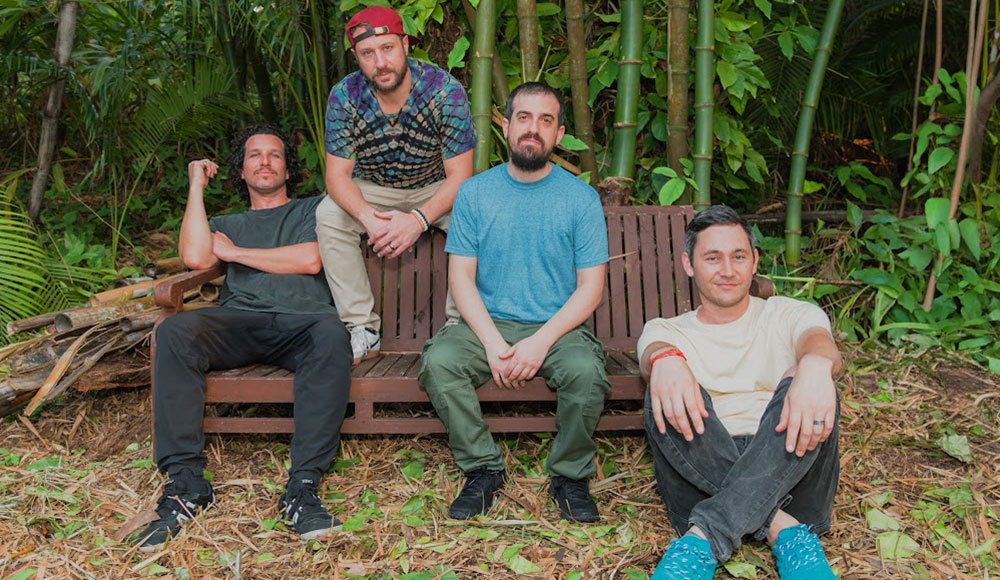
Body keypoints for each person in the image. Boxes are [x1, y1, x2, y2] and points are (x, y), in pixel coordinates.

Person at [136, 126, 352, 552]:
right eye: (254, 155)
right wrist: (196, 186)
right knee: (175, 330)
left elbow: (311, 259)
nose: (265, 161)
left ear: (288, 169)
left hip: (304, 323)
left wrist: (235, 254)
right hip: (240, 321)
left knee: (332, 335)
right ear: (241, 170)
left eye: (274, 155)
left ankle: (302, 488)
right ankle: (186, 485)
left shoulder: (314, 209)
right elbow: (195, 257)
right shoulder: (227, 223)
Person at [418, 82, 610, 523]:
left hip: (557, 329)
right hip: (487, 324)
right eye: (523, 117)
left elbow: (590, 289)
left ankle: (570, 475)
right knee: (440, 362)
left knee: (586, 372)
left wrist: (540, 343)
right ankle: (483, 468)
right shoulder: (474, 193)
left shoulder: (580, 199)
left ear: (559, 134)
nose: (533, 129)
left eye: (546, 120)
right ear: (505, 126)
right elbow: (461, 279)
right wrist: (491, 343)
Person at [637, 205, 841, 579]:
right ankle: (784, 529)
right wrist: (665, 360)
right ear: (689, 264)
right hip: (699, 465)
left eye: (738, 257)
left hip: (790, 461)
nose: (728, 270)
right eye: (713, 258)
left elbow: (818, 341)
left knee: (811, 374)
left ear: (754, 261)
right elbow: (653, 353)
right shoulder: (667, 329)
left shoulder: (789, 313)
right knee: (663, 383)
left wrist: (815, 365)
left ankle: (703, 538)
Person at [316, 5, 476, 364]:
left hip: (435, 186)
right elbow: (337, 176)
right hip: (373, 188)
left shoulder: (443, 91)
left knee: (474, 211)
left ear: (405, 44)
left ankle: (459, 325)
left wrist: (418, 219)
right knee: (329, 214)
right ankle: (362, 327)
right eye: (367, 53)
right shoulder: (345, 95)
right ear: (356, 57)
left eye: (387, 48)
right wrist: (368, 218)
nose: (380, 62)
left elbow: (461, 176)